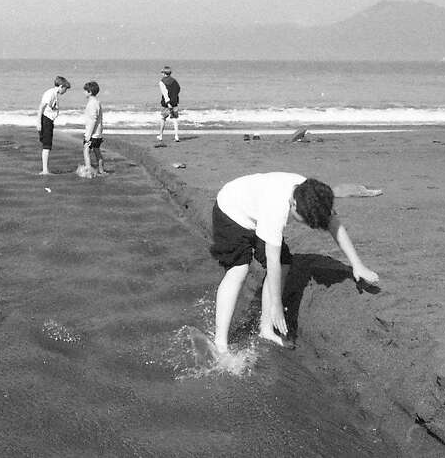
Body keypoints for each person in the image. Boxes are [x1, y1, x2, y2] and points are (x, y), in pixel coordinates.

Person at [208, 172, 380, 354]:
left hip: (257, 213)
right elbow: (271, 259)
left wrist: (357, 264)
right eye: (305, 221)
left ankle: (265, 329)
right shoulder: (276, 208)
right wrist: (277, 305)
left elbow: (334, 224)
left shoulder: (313, 195)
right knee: (239, 269)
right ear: (294, 204)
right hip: (231, 210)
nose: (306, 224)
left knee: (284, 263)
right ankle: (220, 343)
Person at [38, 76, 71, 175]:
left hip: (49, 120)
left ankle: (45, 169)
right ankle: (45, 170)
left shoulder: (54, 94)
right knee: (46, 145)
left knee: (48, 145)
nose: (65, 92)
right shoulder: (50, 94)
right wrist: (38, 123)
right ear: (61, 86)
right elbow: (41, 107)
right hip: (46, 120)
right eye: (65, 89)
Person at [81, 80, 106, 175]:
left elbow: (93, 120)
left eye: (85, 91)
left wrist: (88, 135)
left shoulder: (92, 103)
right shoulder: (97, 102)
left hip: (92, 133)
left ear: (89, 92)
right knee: (97, 151)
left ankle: (88, 169)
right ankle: (101, 170)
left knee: (86, 150)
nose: (84, 93)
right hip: (98, 133)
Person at [156, 65, 181, 142]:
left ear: (164, 73)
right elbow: (178, 89)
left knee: (163, 118)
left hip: (166, 104)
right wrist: (174, 98)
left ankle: (160, 135)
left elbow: (165, 93)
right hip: (174, 102)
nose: (161, 74)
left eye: (162, 72)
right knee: (175, 119)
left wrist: (168, 103)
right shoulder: (174, 81)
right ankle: (176, 136)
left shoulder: (162, 82)